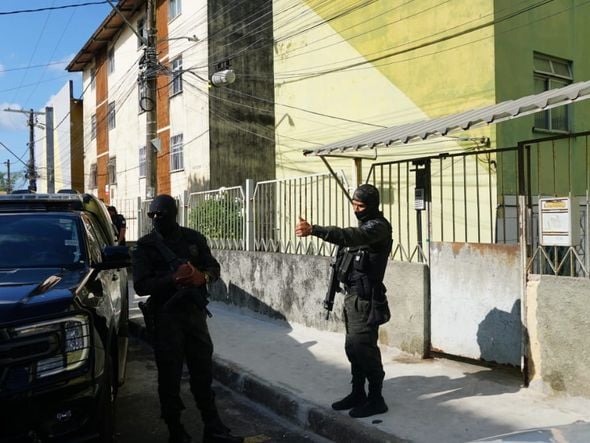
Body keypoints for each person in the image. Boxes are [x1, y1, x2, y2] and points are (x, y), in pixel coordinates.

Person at [132, 194, 242, 443]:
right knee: (169, 379)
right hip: (165, 318)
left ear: (175, 213)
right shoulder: (145, 245)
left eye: (161, 214)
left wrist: (201, 278)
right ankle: (175, 430)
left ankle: (213, 427)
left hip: (194, 316)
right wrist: (173, 279)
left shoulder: (193, 238)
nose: (156, 219)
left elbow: (214, 267)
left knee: (202, 373)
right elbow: (140, 285)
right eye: (152, 215)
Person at [295, 183, 392, 418]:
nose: (356, 209)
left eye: (360, 205)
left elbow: (351, 236)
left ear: (371, 206)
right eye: (354, 204)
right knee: (353, 349)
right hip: (352, 298)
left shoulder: (378, 228)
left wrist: (315, 230)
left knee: (364, 348)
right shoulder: (362, 227)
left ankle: (376, 398)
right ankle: (358, 392)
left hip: (367, 300)